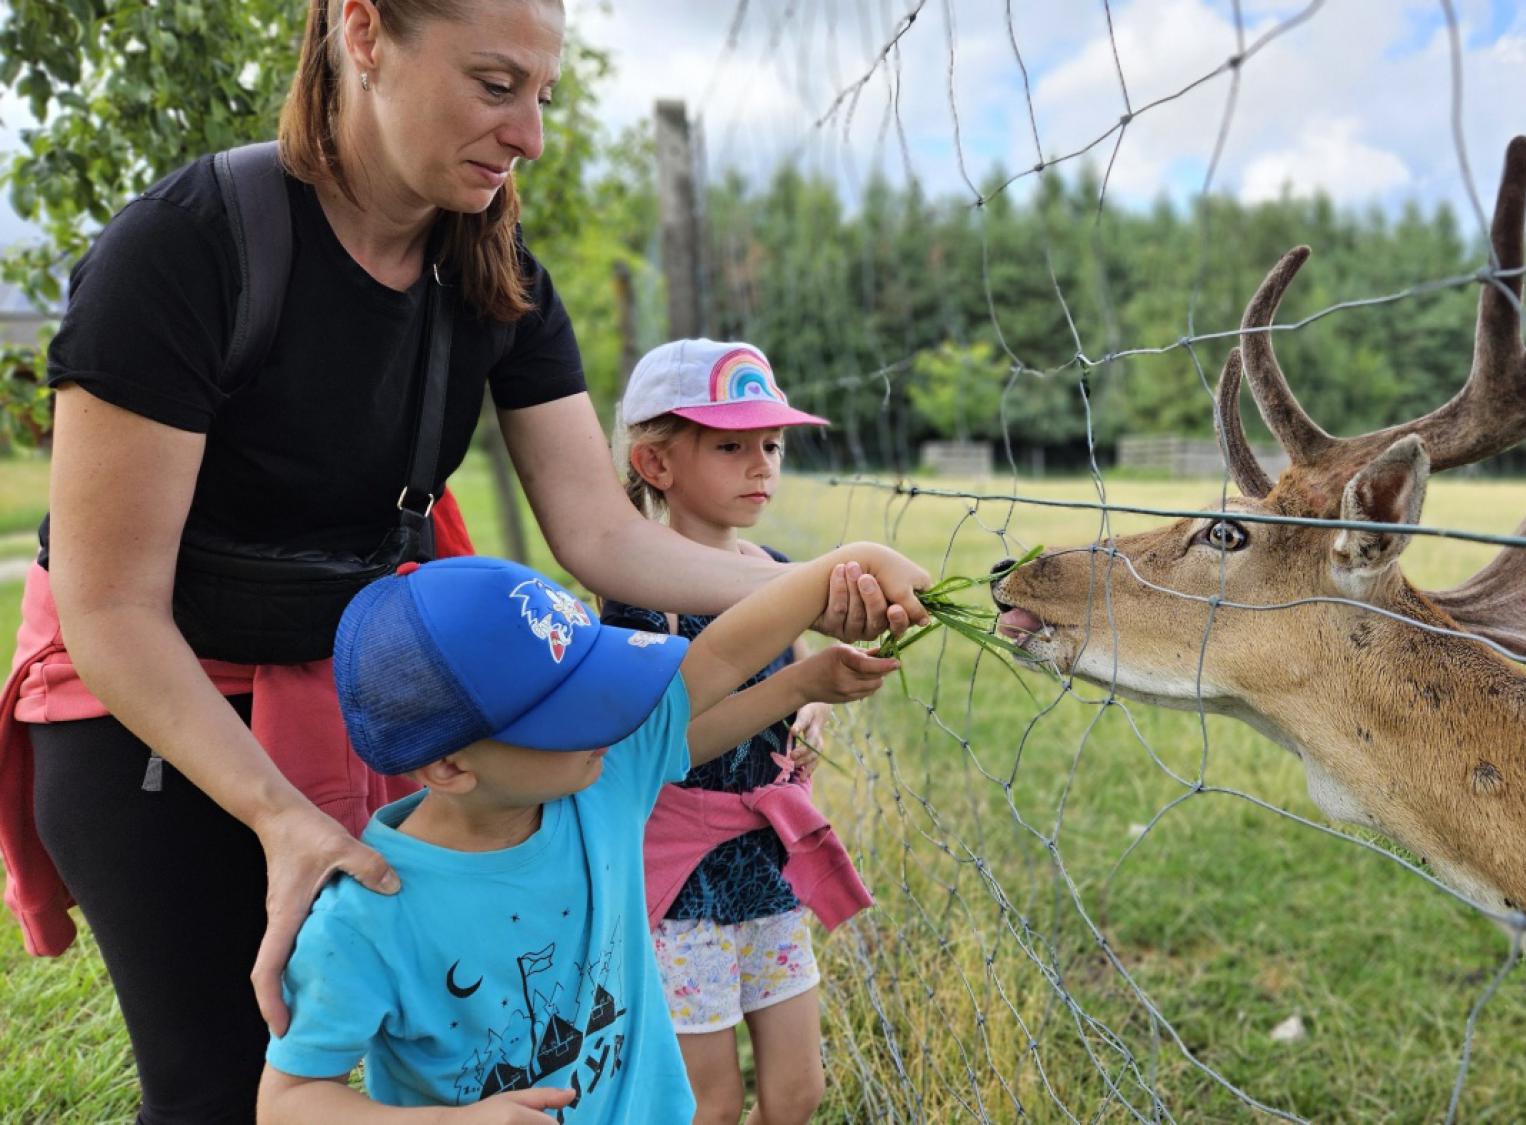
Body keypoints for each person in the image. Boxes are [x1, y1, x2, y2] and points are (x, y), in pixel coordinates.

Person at [0, 2, 926, 1121]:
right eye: (495, 86)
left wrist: (815, 585)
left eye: (544, 94)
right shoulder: (183, 251)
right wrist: (281, 816)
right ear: (363, 33)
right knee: (219, 1084)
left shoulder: (495, 269)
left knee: (456, 1047)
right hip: (151, 698)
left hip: (364, 683)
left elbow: (602, 534)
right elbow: (110, 607)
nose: (529, 134)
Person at [258, 552, 901, 1121]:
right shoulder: (364, 921)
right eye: (570, 710)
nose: (612, 715)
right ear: (449, 767)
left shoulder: (602, 780)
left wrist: (847, 563)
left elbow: (725, 656)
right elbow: (288, 1101)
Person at [606, 339, 871, 1124]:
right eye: (731, 447)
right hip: (680, 882)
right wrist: (799, 686)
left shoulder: (773, 567)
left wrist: (814, 708)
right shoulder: (639, 594)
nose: (762, 465)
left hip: (767, 864)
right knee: (710, 1104)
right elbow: (662, 744)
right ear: (656, 462)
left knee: (797, 1093)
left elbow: (795, 668)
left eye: (772, 445)